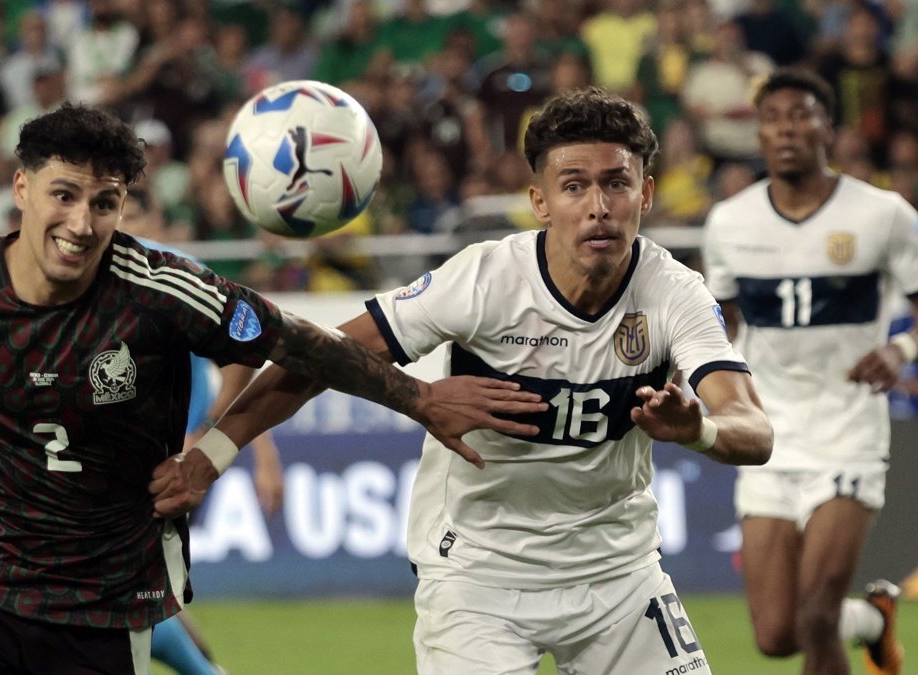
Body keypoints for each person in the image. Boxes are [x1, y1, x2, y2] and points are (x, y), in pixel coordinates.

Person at [0, 103, 540, 675]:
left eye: (104, 203)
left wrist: (418, 398)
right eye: (64, 195)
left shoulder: (163, 291)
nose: (82, 224)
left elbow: (300, 345)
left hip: (103, 605)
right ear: (21, 188)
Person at [152, 87, 775, 674]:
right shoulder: (483, 281)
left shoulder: (674, 294)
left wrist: (700, 430)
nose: (598, 206)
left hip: (620, 574)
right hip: (478, 579)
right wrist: (210, 456)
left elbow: (754, 430)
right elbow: (322, 356)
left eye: (618, 183)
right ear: (540, 201)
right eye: (574, 185)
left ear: (646, 194)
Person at [703, 68, 918, 675]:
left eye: (800, 115)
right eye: (773, 119)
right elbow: (724, 326)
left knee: (818, 614)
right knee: (776, 635)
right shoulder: (731, 223)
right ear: (760, 134)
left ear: (828, 126)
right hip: (768, 434)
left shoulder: (883, 215)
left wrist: (901, 351)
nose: (786, 129)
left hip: (847, 430)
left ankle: (849, 618)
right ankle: (873, 619)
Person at [120, 185, 282, 675]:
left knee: (121, 600)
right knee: (133, 597)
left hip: (169, 465)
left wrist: (215, 436)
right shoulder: (80, 278)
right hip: (109, 462)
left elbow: (243, 353)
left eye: (127, 211)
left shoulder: (174, 273)